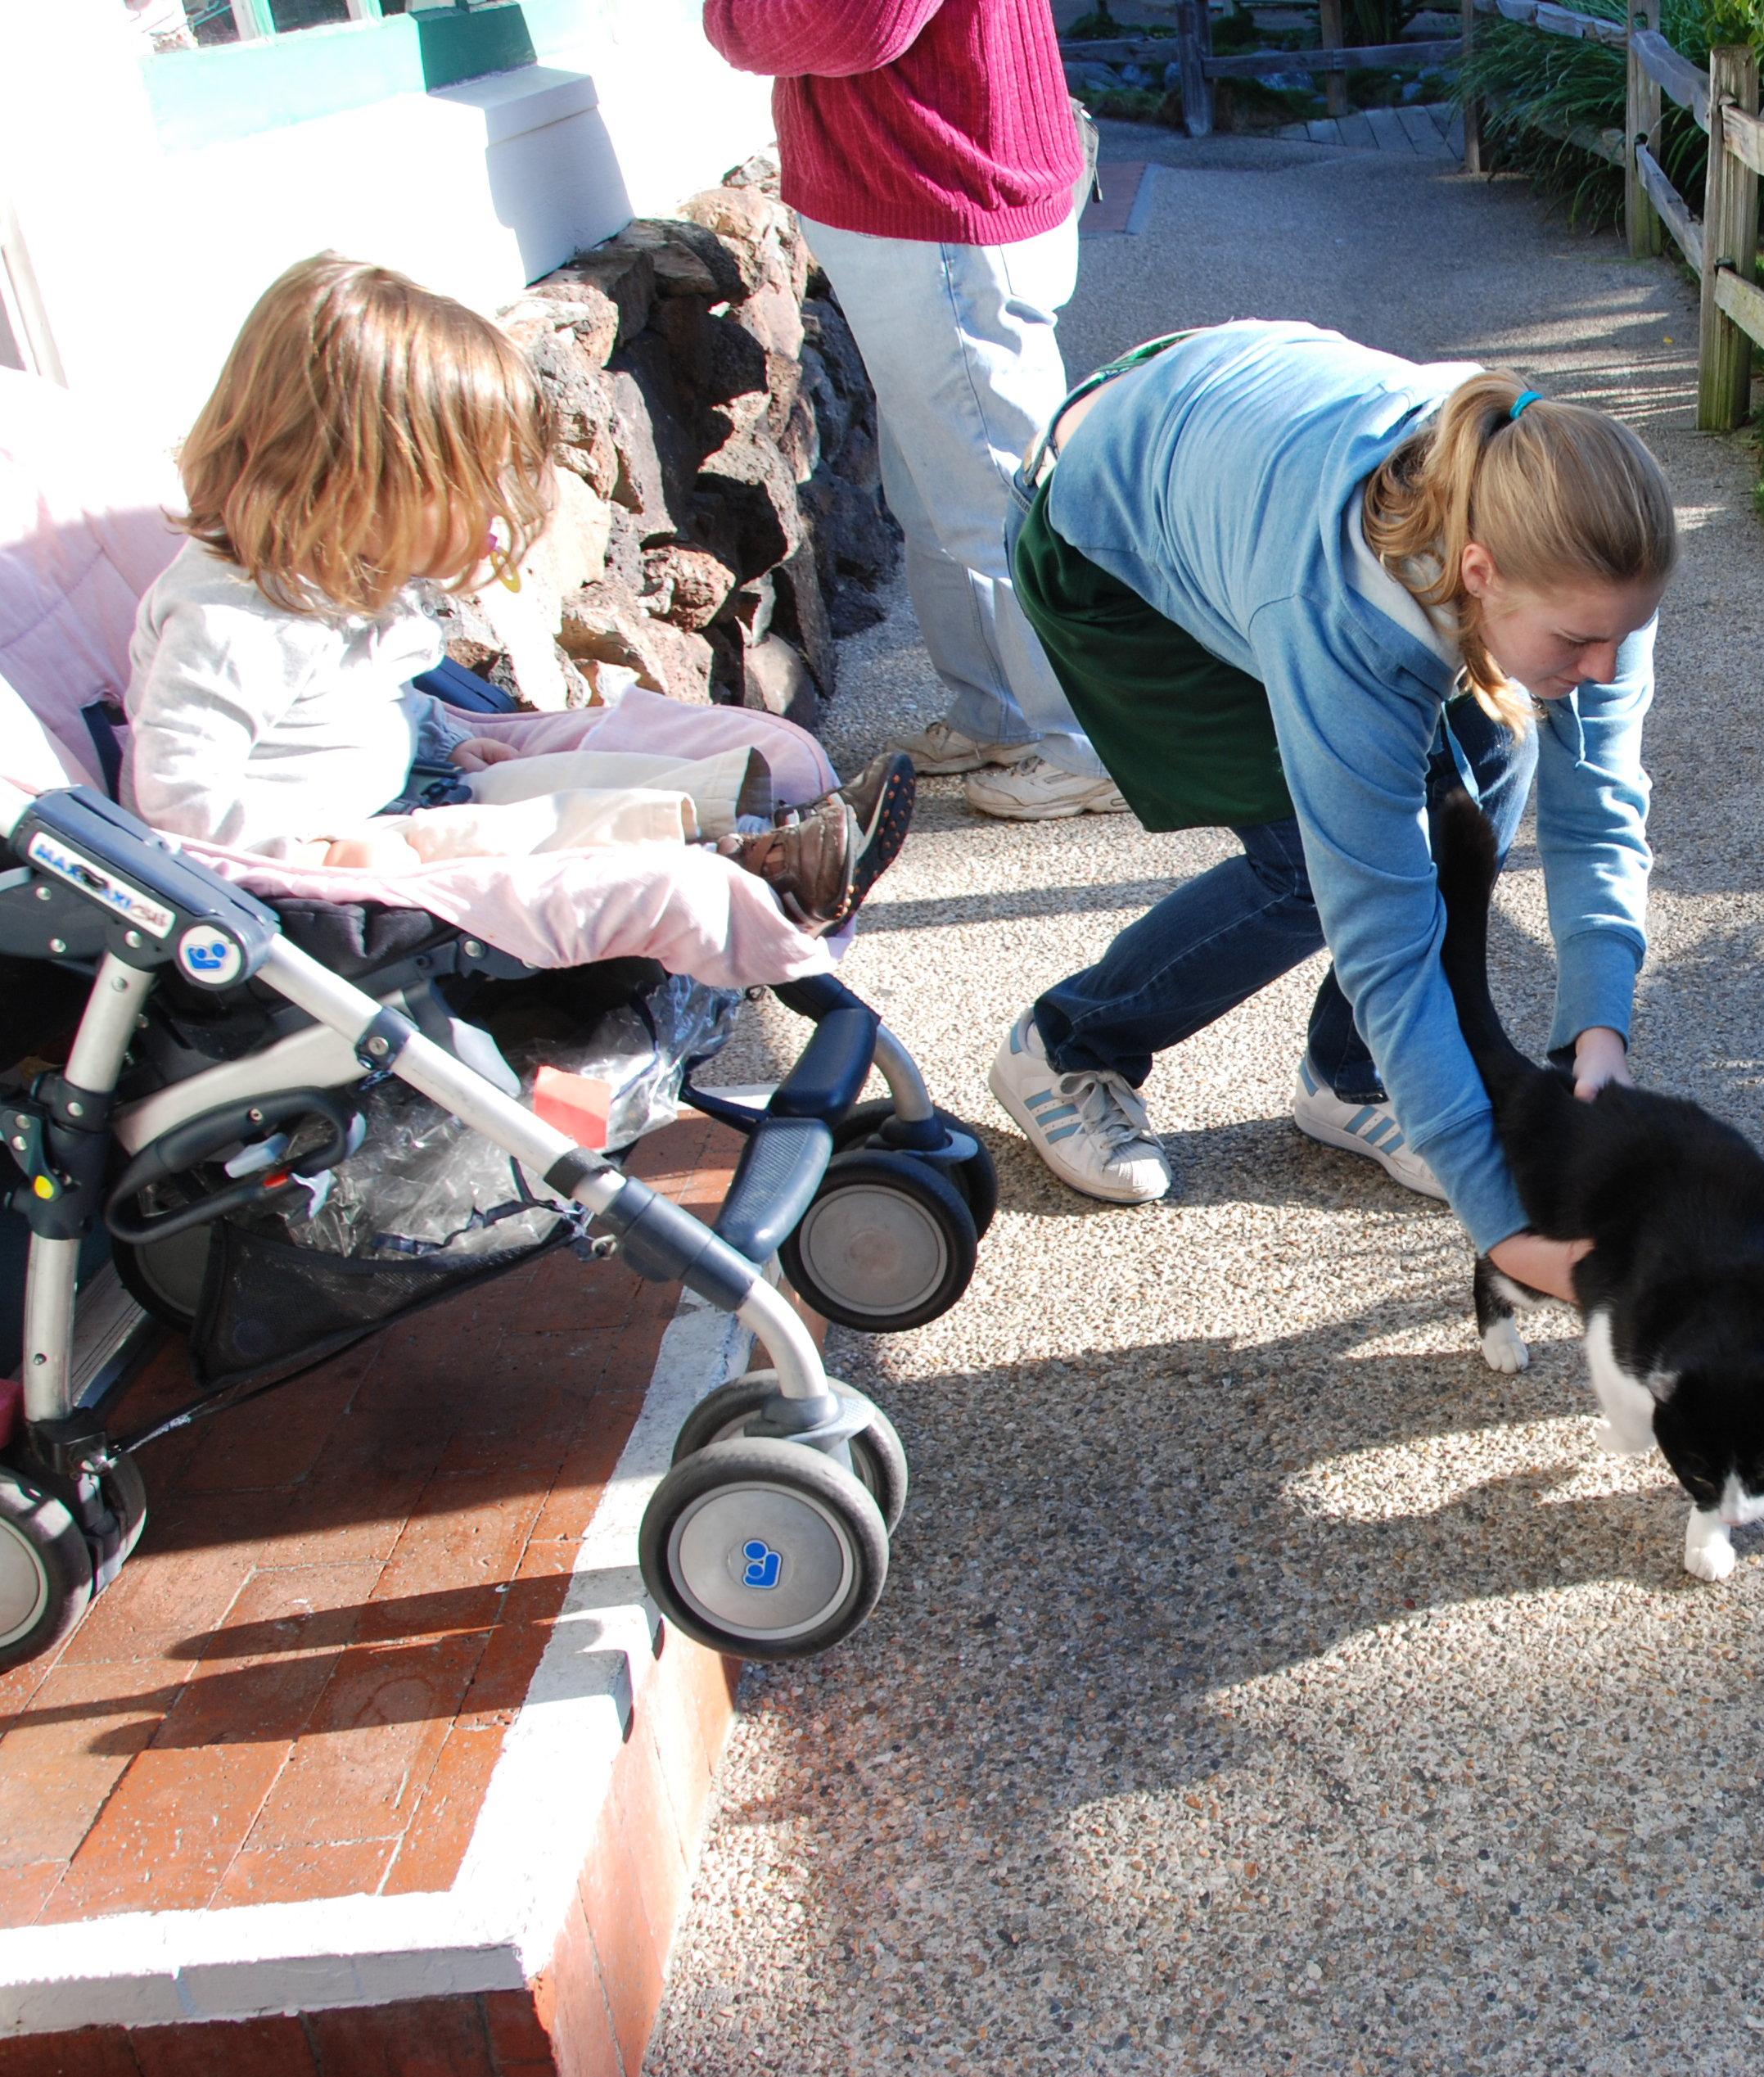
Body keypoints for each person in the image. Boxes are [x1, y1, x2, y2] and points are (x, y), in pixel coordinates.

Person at [987, 322, 1672, 1307]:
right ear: (1480, 574)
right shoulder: (1339, 618)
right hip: (1102, 532)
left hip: (1233, 443)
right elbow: (1381, 935)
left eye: (1624, 635)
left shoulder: (1585, 558)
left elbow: (1598, 809)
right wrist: (1503, 1226)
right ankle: (1068, 1042)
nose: (1603, 668)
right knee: (1309, 864)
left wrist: (1595, 1034)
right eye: (1577, 641)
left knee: (1491, 753)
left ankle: (1350, 1077)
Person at [125, 255, 914, 932]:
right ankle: (753, 864)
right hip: (355, 853)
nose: (488, 508)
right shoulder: (232, 621)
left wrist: (439, 737)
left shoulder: (345, 580)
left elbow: (361, 705)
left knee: (582, 784)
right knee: (556, 828)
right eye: (467, 485)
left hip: (418, 793)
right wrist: (306, 856)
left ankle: (776, 825)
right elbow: (178, 799)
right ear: (358, 480)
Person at [701, 0, 1129, 824]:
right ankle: (1002, 715)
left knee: (1000, 499)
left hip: (937, 191)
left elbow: (861, 21)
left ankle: (1096, 747)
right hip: (934, 184)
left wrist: (732, 18)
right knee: (942, 495)